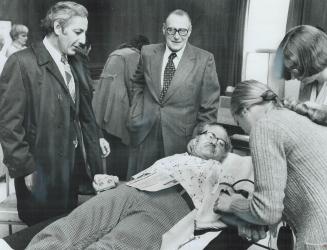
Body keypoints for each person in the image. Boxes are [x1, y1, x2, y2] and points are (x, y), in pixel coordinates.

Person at [3, 123, 255, 250]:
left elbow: (242, 197)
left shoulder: (224, 171)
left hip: (173, 205)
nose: (214, 141)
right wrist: (116, 182)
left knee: (115, 246)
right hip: (137, 186)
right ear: (195, 139)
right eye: (210, 134)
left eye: (221, 142)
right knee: (73, 226)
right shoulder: (174, 157)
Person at [0, 1, 110, 226]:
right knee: (41, 231)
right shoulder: (21, 63)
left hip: (68, 171)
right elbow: (10, 125)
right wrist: (25, 169)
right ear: (58, 28)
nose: (83, 40)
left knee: (64, 228)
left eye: (84, 32)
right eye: (78, 32)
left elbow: (86, 114)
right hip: (38, 172)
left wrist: (96, 148)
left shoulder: (77, 61)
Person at [214, 80, 327, 249]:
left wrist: (232, 203)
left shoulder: (264, 126)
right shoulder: (295, 118)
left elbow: (267, 211)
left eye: (239, 124)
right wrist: (253, 219)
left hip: (319, 237)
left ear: (244, 110)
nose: (245, 130)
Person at [127, 9, 220, 178]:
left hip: (180, 140)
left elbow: (209, 109)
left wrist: (197, 141)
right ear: (164, 29)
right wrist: (136, 113)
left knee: (172, 196)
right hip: (145, 133)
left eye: (182, 31)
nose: (177, 36)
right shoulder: (148, 52)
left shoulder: (204, 60)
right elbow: (138, 83)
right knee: (139, 187)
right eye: (172, 30)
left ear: (189, 31)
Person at [92, 35, 150, 180]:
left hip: (102, 105)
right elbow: (134, 85)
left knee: (110, 146)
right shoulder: (133, 55)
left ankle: (111, 178)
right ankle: (120, 180)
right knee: (122, 146)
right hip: (118, 107)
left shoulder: (116, 53)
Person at [274, 25, 327, 105]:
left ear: (312, 59)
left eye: (295, 68)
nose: (294, 77)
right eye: (290, 70)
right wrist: (298, 106)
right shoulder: (309, 83)